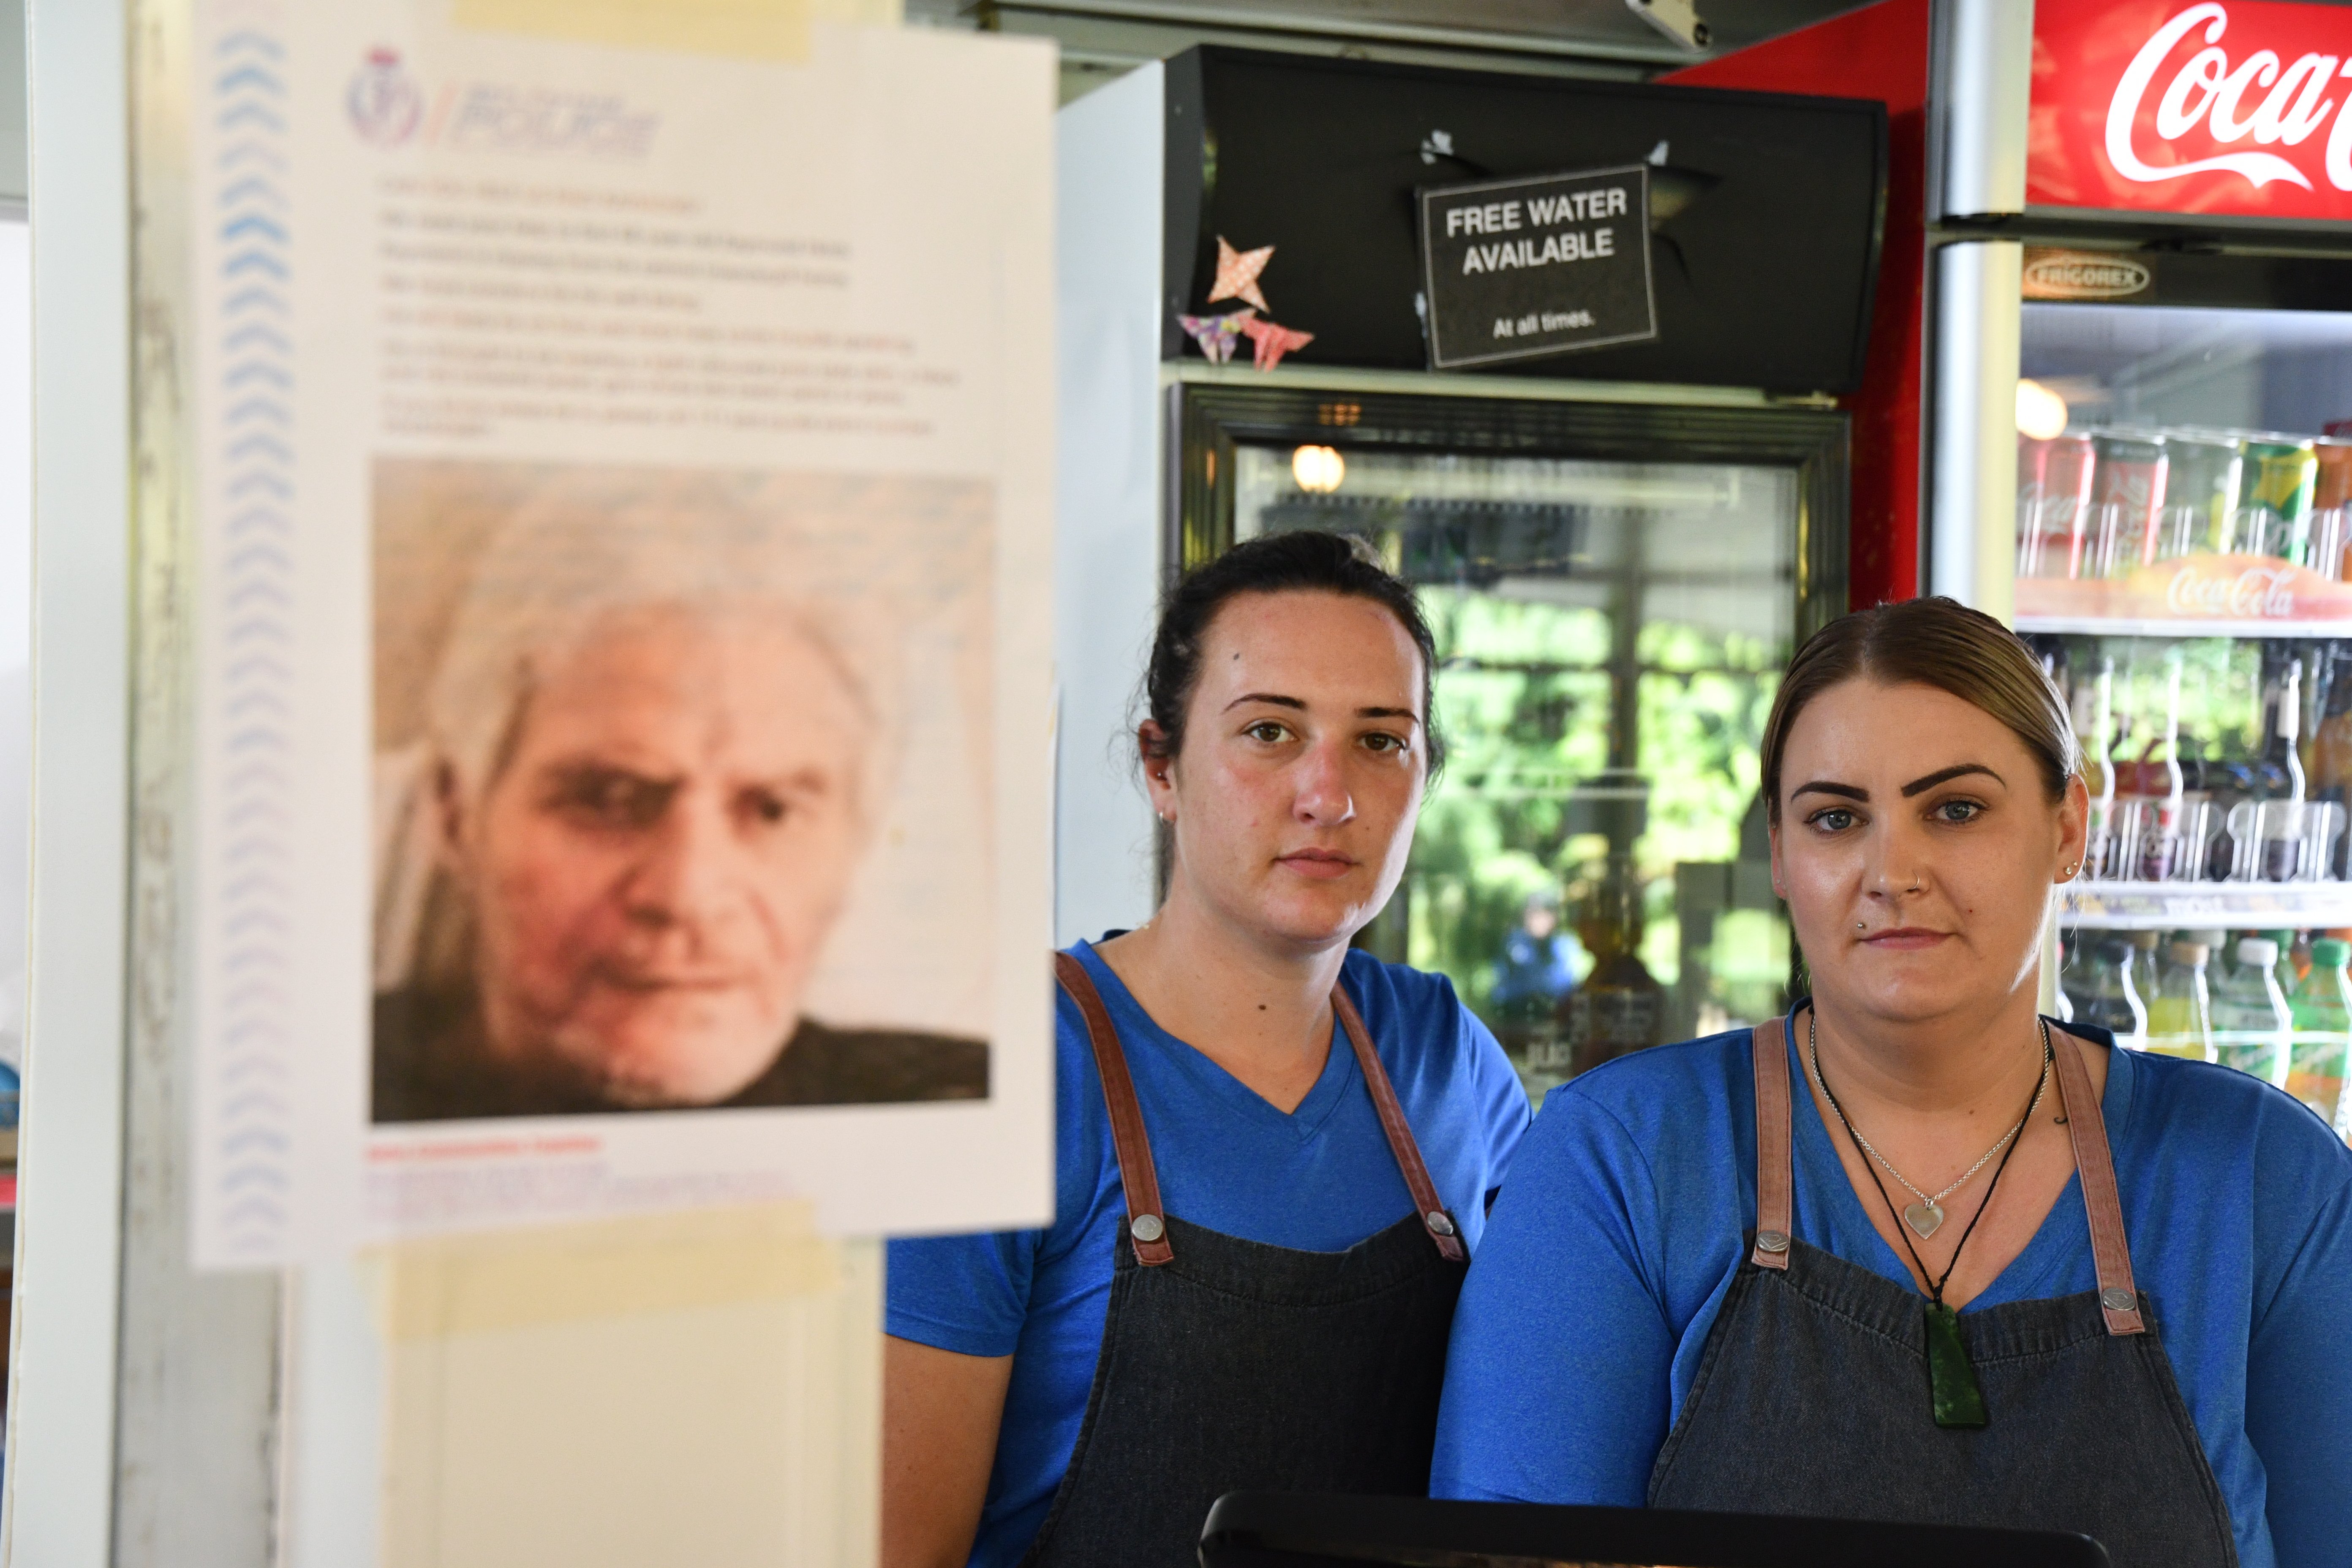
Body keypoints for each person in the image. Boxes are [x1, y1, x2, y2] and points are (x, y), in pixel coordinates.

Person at [1433, 597, 2352, 1567]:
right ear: (1781, 855)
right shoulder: (1622, 1156)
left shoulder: (2261, 1179)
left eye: (1954, 809)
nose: (1891, 869)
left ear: (2066, 827)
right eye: (1835, 818)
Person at [883, 531, 1529, 1568]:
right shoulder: (1006, 1068)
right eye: (1269, 731)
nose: (1330, 794)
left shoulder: (1443, 1056)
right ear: (1161, 767)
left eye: (1382, 740)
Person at [371, 487, 987, 1121]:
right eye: (610, 799)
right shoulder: (310, 1089)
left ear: (857, 839)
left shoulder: (972, 1105)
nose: (687, 895)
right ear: (454, 815)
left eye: (772, 809)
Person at [1488, 888, 1576, 1024]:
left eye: (1544, 915)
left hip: (1555, 1016)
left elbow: (1565, 987)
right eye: (1533, 915)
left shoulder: (1565, 946)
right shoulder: (1513, 943)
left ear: (1554, 918)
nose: (1538, 921)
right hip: (1516, 1016)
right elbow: (1503, 989)